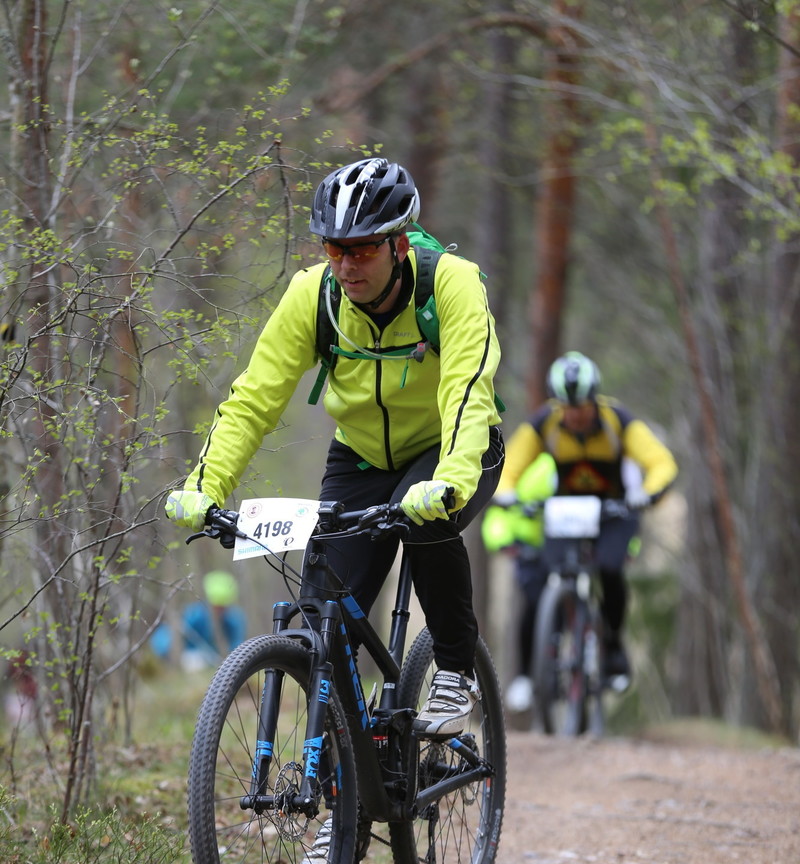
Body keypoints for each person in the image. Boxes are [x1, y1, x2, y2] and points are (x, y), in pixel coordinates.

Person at [165, 157, 504, 739]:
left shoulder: (451, 282)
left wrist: (448, 479)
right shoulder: (313, 296)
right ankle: (339, 810)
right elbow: (253, 402)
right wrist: (204, 486)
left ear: (399, 244)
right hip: (362, 456)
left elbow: (466, 394)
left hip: (451, 449)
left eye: (363, 250)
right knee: (323, 626)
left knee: (426, 524)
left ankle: (453, 669)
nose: (346, 265)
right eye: (333, 249)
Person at [495, 351, 678, 681]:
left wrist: (648, 493)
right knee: (543, 576)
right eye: (567, 407)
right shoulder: (544, 423)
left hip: (615, 512)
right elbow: (511, 464)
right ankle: (545, 654)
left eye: (580, 406)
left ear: (594, 399)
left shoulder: (617, 420)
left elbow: (661, 462)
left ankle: (613, 645)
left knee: (610, 569)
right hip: (566, 512)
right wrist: (506, 494)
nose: (574, 414)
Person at [481, 453, 556, 713]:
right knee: (533, 606)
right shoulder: (526, 465)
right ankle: (525, 675)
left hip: (569, 544)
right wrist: (504, 542)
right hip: (531, 550)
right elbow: (499, 513)